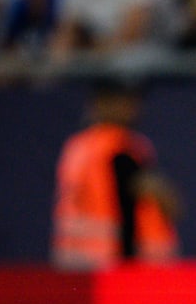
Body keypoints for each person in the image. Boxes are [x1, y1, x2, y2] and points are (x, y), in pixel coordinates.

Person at [51, 79, 181, 270]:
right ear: (101, 104)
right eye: (124, 101)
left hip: (73, 261)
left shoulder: (77, 146)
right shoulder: (120, 146)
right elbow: (158, 196)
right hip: (109, 263)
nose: (132, 108)